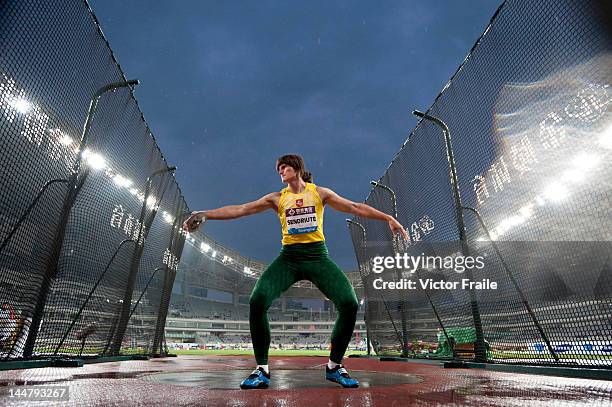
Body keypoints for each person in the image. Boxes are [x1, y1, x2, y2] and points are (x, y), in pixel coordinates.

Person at [183, 154, 407, 389]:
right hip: (289, 259)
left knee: (349, 303)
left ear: (297, 168)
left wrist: (387, 217)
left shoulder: (320, 193)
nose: (280, 171)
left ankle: (334, 366)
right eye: (278, 169)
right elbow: (241, 209)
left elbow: (354, 206)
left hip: (317, 257)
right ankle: (261, 370)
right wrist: (205, 213)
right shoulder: (277, 198)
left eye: (284, 167)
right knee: (257, 300)